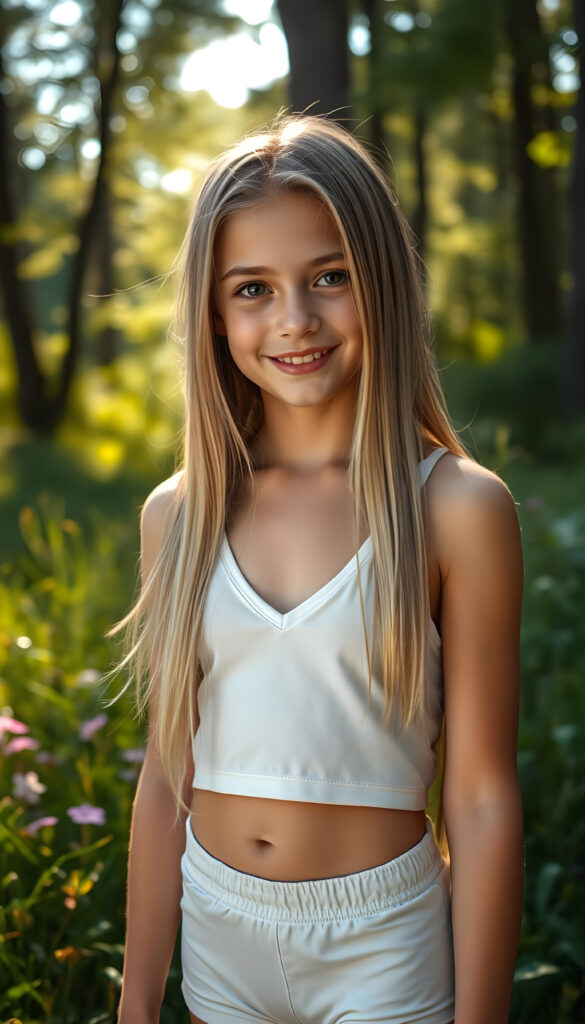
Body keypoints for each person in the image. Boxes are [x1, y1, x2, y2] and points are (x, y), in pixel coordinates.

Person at [113, 115, 524, 1024]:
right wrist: (138, 1000)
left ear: (379, 280)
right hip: (219, 939)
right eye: (251, 289)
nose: (294, 320)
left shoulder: (455, 507)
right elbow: (166, 777)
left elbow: (484, 794)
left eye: (328, 276)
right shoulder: (177, 514)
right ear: (214, 318)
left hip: (380, 946)